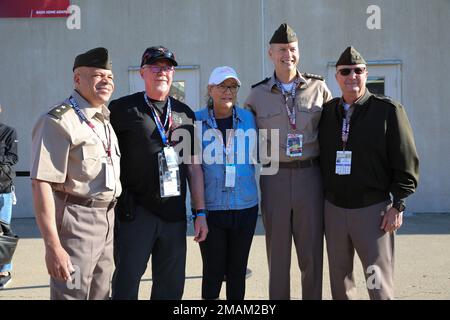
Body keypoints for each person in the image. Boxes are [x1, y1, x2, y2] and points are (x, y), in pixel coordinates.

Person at [319, 46, 419, 300]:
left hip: (373, 212)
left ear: (366, 74)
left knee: (377, 283)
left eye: (358, 71)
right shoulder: (329, 112)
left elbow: (406, 160)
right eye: (345, 71)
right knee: (340, 283)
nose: (352, 75)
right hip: (334, 210)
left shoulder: (388, 111)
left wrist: (398, 204)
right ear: (337, 76)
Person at [109, 46, 208, 300]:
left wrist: (200, 212)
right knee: (126, 282)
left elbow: (193, 167)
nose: (162, 72)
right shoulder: (122, 109)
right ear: (143, 72)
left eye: (167, 67)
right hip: (135, 213)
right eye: (155, 67)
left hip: (174, 215)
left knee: (170, 288)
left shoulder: (184, 113)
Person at [245, 23, 332, 300]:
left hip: (310, 176)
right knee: (278, 253)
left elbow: (336, 131)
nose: (288, 55)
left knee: (312, 253)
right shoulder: (257, 94)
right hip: (275, 177)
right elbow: (243, 134)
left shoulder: (319, 88)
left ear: (298, 52)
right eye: (282, 50)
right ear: (271, 53)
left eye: (292, 49)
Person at [31, 47, 121, 300]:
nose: (106, 81)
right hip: (77, 221)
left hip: (107, 218)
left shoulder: (104, 119)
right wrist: (53, 247)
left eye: (110, 76)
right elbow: (41, 184)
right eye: (97, 75)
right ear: (77, 79)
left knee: (101, 294)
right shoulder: (59, 120)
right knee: (71, 294)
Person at [196, 66, 258, 300]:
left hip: (245, 206)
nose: (228, 91)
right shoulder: (196, 121)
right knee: (212, 273)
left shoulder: (249, 119)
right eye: (222, 86)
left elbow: (265, 152)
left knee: (237, 273)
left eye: (232, 86)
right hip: (213, 209)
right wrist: (199, 211)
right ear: (210, 89)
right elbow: (193, 169)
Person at [0, 103, 18, 290]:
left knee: (4, 231)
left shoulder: (8, 132)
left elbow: (13, 157)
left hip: (2, 188)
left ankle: (4, 270)